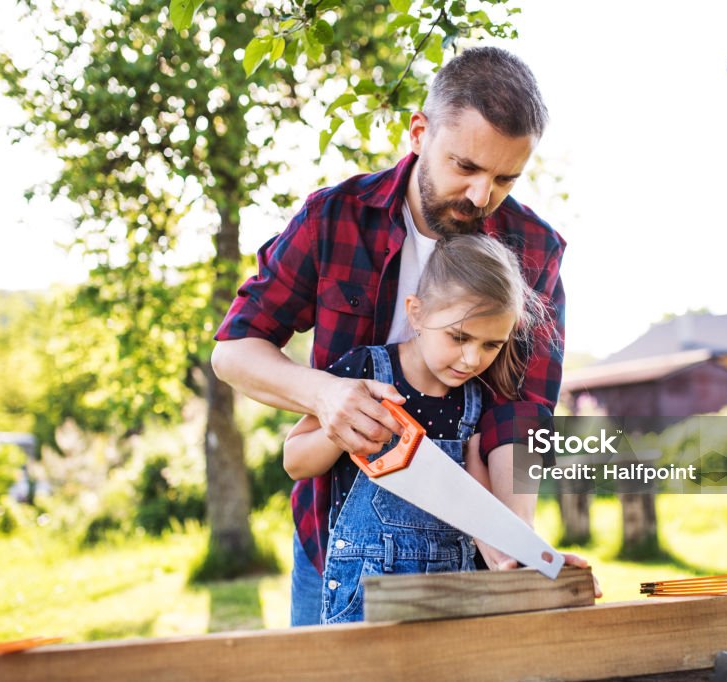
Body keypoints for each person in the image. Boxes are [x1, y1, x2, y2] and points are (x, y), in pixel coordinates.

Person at [212, 46, 596, 626]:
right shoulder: (334, 217)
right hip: (335, 549)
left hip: (462, 556)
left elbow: (520, 410)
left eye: (505, 179)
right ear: (419, 132)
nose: (480, 196)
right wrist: (325, 397)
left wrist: (509, 539)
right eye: (465, 167)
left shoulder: (535, 249)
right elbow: (234, 351)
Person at [282, 234, 546, 624]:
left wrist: (524, 556)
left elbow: (478, 504)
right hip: (365, 596)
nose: (472, 358)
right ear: (417, 313)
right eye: (459, 337)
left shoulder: (476, 398)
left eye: (492, 345)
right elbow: (294, 461)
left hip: (450, 599)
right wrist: (343, 430)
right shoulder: (364, 372)